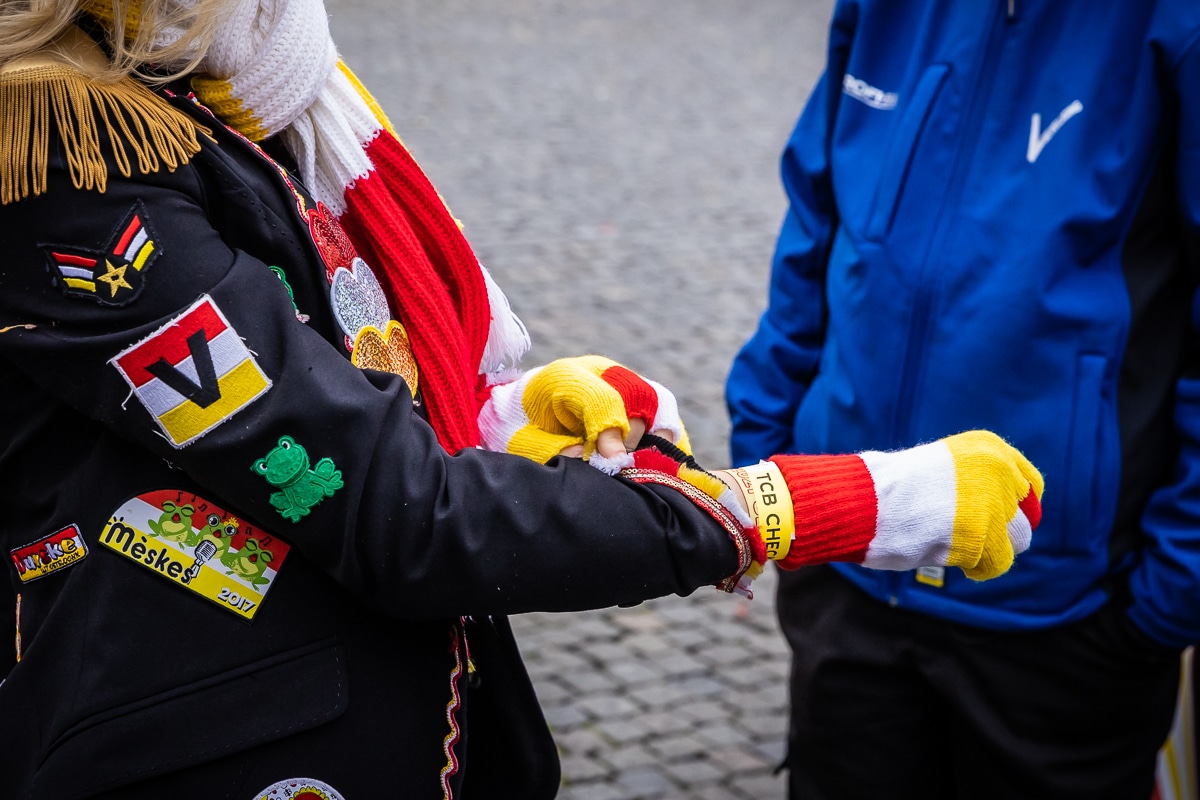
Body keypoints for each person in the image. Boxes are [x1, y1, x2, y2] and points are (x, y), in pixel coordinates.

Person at [0, 1, 1041, 798]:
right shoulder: (65, 149)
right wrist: (816, 503)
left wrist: (502, 412)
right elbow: (391, 511)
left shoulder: (213, 72)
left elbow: (318, 377)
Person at [726, 2, 1200, 798]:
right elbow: (817, 219)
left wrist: (1167, 596)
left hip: (1065, 618)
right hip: (848, 571)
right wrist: (770, 463)